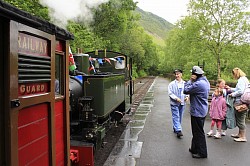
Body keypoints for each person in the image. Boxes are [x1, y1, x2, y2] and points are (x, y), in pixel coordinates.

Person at [184, 66, 210, 159]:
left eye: (192, 74)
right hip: (201, 109)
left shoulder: (198, 84)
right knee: (196, 131)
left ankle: (202, 152)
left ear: (195, 75)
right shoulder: (205, 81)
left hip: (197, 111)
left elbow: (186, 90)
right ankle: (194, 148)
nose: (191, 75)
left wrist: (190, 81)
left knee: (198, 132)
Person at [225, 67, 249, 142]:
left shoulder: (241, 80)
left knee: (241, 119)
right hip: (242, 101)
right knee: (239, 118)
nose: (233, 76)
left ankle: (243, 136)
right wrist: (230, 89)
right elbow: (238, 89)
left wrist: (232, 94)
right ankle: (240, 134)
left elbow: (240, 91)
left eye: (234, 74)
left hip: (240, 102)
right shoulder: (244, 79)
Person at [168, 69, 188, 138]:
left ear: (181, 74)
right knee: (176, 115)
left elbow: (187, 92)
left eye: (178, 74)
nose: (177, 75)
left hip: (182, 103)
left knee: (180, 116)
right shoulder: (171, 84)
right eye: (176, 74)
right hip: (174, 102)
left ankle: (175, 127)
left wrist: (187, 97)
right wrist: (176, 98)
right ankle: (179, 130)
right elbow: (170, 93)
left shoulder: (185, 83)